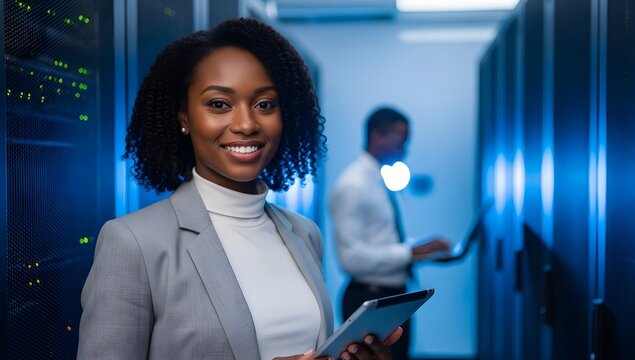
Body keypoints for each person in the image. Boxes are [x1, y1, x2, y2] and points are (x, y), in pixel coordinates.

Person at [78, 18, 401, 360]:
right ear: (184, 117)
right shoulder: (133, 243)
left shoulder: (305, 234)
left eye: (265, 104)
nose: (247, 124)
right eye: (219, 104)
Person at [330, 107, 451, 360]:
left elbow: (383, 239)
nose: (404, 149)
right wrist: (410, 252)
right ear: (377, 136)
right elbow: (350, 258)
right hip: (369, 299)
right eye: (400, 141)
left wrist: (425, 250)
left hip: (392, 297)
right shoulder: (352, 184)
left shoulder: (379, 179)